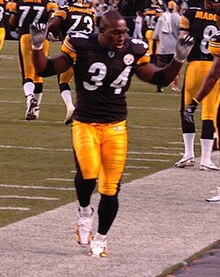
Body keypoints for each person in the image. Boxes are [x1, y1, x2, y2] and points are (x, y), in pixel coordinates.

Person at [29, 10, 194, 257]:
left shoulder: (133, 49)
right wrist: (36, 45)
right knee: (88, 172)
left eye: (124, 32)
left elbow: (159, 77)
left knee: (110, 187)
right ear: (101, 30)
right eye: (115, 32)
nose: (121, 37)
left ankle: (102, 239)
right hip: (85, 122)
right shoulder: (81, 45)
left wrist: (179, 59)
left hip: (116, 125)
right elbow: (45, 69)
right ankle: (85, 212)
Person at [174, 0, 220, 171]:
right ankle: (206, 158)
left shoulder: (191, 14)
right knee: (209, 112)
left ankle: (188, 154)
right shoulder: (216, 17)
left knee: (186, 109)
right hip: (214, 67)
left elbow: (182, 42)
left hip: (194, 67)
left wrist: (176, 67)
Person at [6, 0, 58, 120]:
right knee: (39, 73)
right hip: (42, 40)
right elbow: (52, 20)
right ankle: (36, 109)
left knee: (27, 74)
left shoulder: (18, 3)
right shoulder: (48, 4)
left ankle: (30, 98)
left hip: (25, 37)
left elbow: (12, 23)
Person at [47, 0, 96, 124]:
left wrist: (47, 28)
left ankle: (70, 107)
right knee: (87, 84)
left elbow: (53, 25)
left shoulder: (65, 9)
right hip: (88, 52)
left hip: (70, 50)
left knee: (63, 81)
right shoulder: (90, 12)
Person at [153, 0, 181, 92]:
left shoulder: (162, 17)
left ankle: (159, 85)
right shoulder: (178, 17)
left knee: (161, 67)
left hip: (163, 47)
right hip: (174, 47)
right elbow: (180, 33)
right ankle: (175, 86)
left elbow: (156, 34)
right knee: (175, 68)